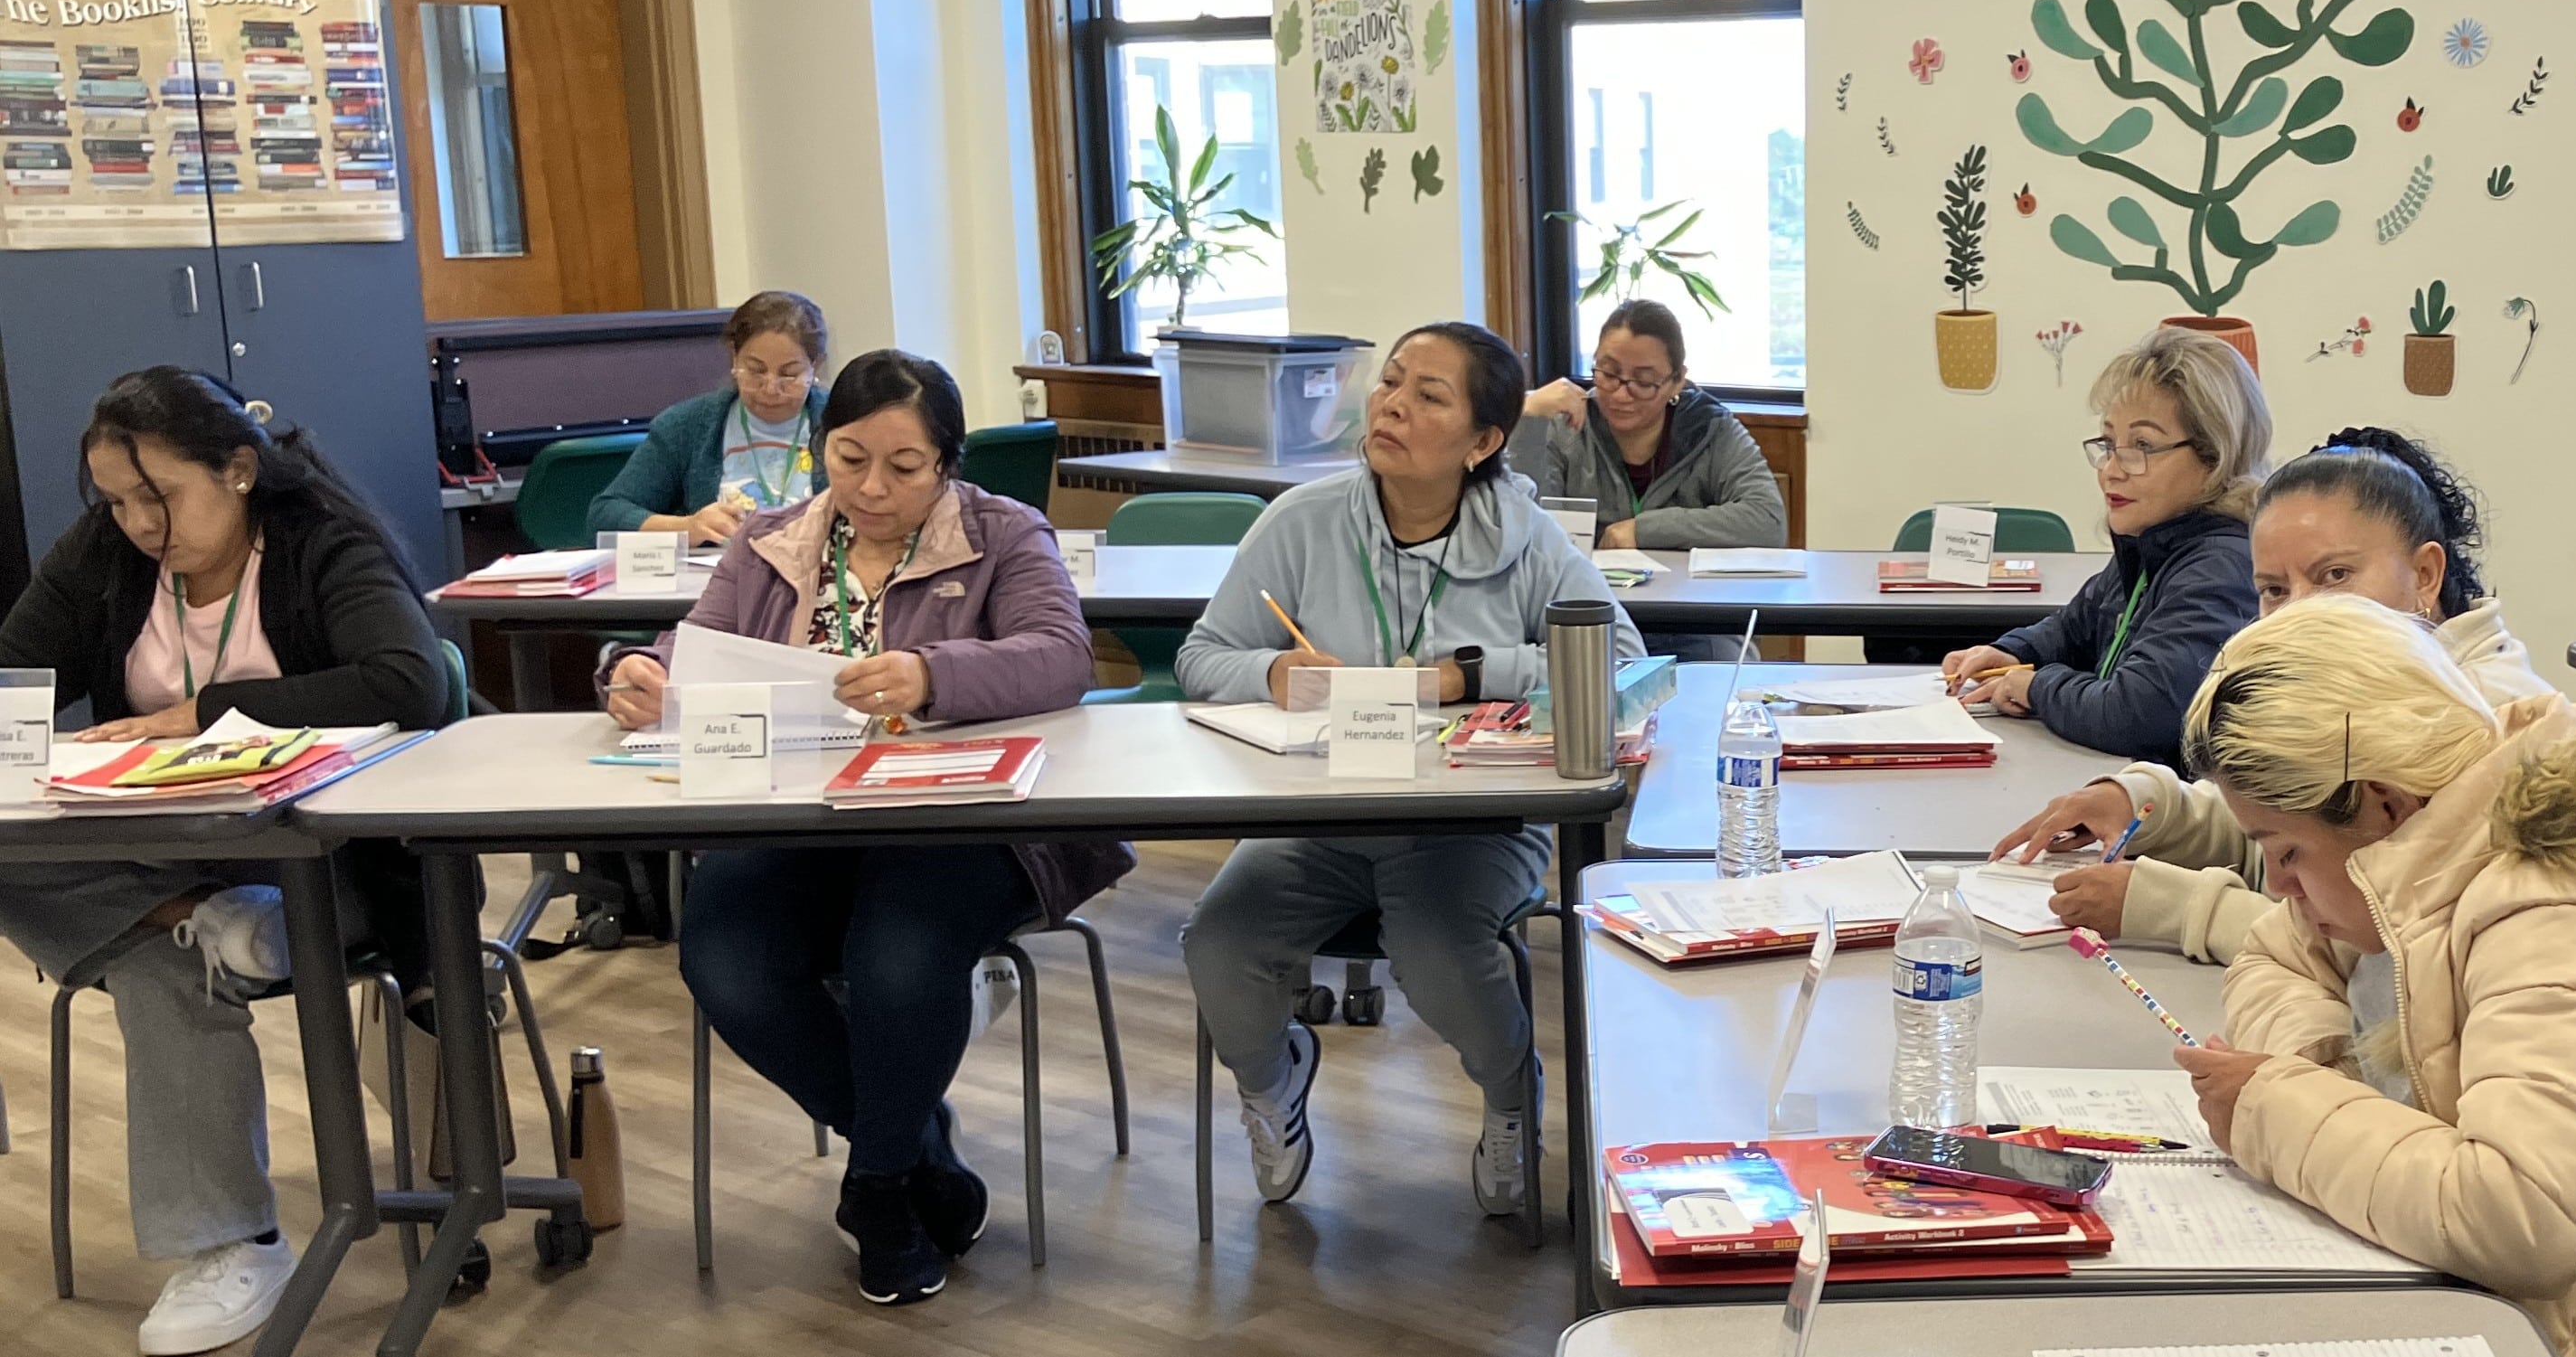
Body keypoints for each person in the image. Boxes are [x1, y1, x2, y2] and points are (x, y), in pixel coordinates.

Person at [602, 349, 1128, 1306]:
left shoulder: (1005, 534)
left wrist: (935, 675)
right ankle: (916, 1153)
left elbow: (1062, 656)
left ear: (949, 463)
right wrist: (635, 673)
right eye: (848, 460)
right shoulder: (770, 540)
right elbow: (693, 649)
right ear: (819, 449)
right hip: (799, 815)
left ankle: (877, 1192)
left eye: (905, 466)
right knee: (725, 954)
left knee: (896, 953)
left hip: (959, 820)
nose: (872, 488)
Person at [2168, 596, 2576, 1356]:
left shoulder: (2566, 899)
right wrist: (2334, 1073)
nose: (2279, 888)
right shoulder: (2409, 855)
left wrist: (2275, 1108)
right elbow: (2270, 956)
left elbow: (2526, 1219)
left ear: (2382, 800)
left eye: (2284, 853)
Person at [0, 367, 447, 1356]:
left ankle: (226, 1239)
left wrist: (202, 714)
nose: (136, 523)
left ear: (239, 470)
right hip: (169, 871)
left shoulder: (318, 542)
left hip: (333, 866)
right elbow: (15, 677)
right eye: (115, 501)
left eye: (158, 496)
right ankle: (207, 928)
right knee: (154, 955)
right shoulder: (109, 554)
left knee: (163, 976)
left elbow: (409, 680)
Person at [1177, 322, 1641, 1220]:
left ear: (1481, 443)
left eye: (1428, 395)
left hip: (1466, 825)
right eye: (1390, 383)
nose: (1390, 404)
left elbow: (1617, 662)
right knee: (1217, 943)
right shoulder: (1302, 520)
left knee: (1438, 957)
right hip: (1322, 814)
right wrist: (1271, 673)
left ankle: (1510, 1095)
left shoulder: (1526, 536)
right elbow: (1204, 655)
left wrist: (1471, 675)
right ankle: (1274, 1086)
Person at [1993, 428, 2552, 961]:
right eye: (2274, 590)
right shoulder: (2353, 683)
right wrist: (2148, 803)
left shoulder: (2475, 725)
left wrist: (2177, 908)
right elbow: (2293, 825)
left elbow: (2384, 947)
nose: (2301, 611)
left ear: (2426, 574)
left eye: (2335, 575)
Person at [1941, 325, 2268, 764]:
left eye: (2142, 445)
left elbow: (2139, 715)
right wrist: (2011, 652)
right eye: (2109, 443)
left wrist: (2036, 687)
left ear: (2215, 456)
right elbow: (2075, 627)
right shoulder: (2155, 541)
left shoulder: (2220, 564)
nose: (2111, 469)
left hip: (2169, 817)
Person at [1508, 298, 1787, 551]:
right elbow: (1523, 528)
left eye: (1643, 381)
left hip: (1685, 599)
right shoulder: (1566, 425)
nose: (1620, 393)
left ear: (1677, 381)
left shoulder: (1711, 428)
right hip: (1583, 596)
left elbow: (1768, 521)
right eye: (1609, 373)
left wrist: (1644, 530)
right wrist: (1525, 419)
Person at [587, 289, 830, 544]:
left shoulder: (846, 422)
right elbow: (605, 516)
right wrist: (686, 527)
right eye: (756, 371)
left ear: (816, 366)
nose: (770, 388)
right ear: (734, 359)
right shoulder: (687, 426)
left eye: (789, 374)